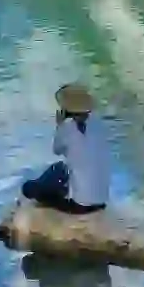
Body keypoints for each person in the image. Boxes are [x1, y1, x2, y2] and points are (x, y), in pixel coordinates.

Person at [20, 83, 110, 215]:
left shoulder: (67, 129)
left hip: (80, 206)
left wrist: (59, 125)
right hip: (102, 203)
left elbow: (56, 150)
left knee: (30, 186)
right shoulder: (98, 125)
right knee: (62, 168)